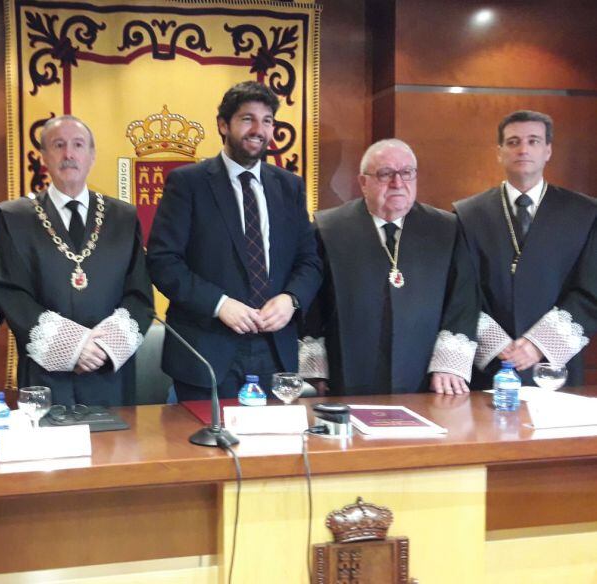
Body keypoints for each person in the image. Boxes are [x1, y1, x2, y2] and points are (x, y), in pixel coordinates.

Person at [147, 81, 322, 400]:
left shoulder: (289, 187)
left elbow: (309, 261)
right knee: (206, 448)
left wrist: (291, 300)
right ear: (223, 125)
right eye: (247, 119)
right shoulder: (188, 184)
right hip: (206, 349)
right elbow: (163, 263)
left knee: (273, 449)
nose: (259, 129)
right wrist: (220, 304)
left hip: (275, 350)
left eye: (267, 120)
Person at [0, 115, 153, 407]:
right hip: (46, 375)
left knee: (115, 451)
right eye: (58, 145)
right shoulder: (16, 218)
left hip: (109, 372)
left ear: (92, 156)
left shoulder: (123, 218)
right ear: (44, 158)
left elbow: (139, 295)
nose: (68, 154)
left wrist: (102, 348)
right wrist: (72, 347)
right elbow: (12, 295)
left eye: (78, 145)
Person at [301, 139, 479, 395]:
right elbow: (312, 307)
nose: (398, 183)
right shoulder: (328, 229)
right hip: (347, 376)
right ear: (363, 182)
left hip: (425, 377)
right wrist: (314, 370)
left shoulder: (446, 228)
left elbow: (464, 300)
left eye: (407, 173)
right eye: (386, 174)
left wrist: (449, 365)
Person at [455, 110, 597, 387]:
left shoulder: (585, 213)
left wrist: (536, 345)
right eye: (513, 142)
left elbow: (591, 291)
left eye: (533, 141)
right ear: (499, 152)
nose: (523, 149)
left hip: (555, 367)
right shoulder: (467, 214)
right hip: (492, 366)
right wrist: (499, 345)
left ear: (548, 150)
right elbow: (461, 291)